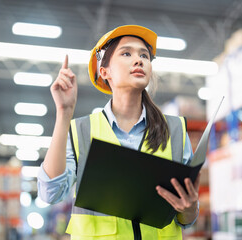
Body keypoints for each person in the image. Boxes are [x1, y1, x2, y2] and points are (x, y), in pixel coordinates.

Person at [37, 25, 200, 240]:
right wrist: (63, 113)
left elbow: (185, 218)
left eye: (144, 55)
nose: (139, 60)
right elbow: (50, 193)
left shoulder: (176, 131)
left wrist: (190, 209)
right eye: (126, 53)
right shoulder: (81, 132)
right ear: (104, 72)